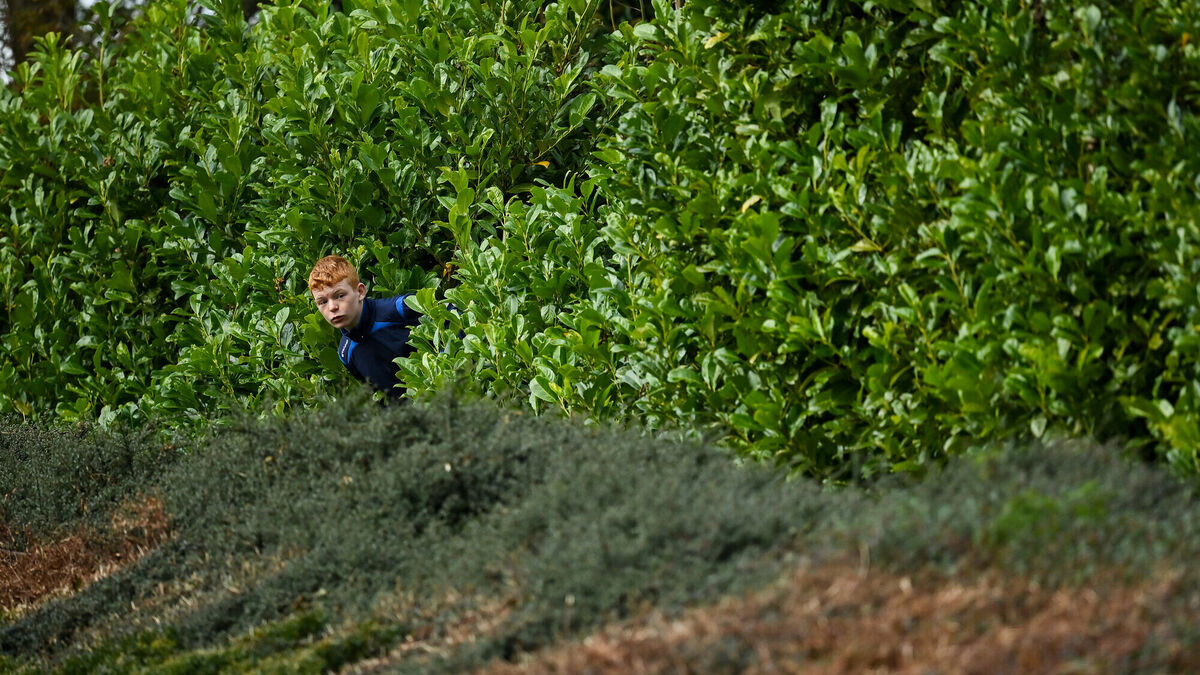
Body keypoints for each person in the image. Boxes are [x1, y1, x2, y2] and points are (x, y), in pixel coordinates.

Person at [308, 255, 422, 399]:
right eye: (322, 302)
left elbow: (447, 312)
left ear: (360, 292)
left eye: (340, 295)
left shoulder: (399, 308)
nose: (332, 307)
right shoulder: (346, 354)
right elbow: (380, 396)